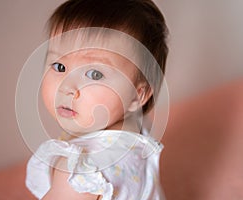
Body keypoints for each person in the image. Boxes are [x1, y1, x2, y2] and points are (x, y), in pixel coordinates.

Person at [25, 0, 168, 199]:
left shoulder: (79, 174)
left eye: (94, 74)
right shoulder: (138, 129)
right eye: (59, 67)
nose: (67, 87)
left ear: (137, 95)